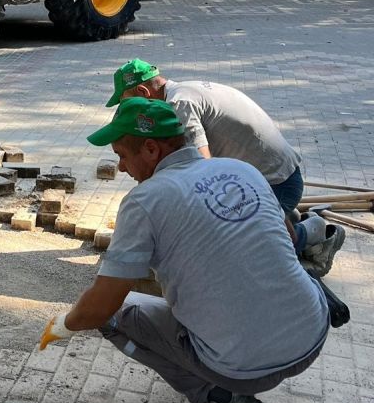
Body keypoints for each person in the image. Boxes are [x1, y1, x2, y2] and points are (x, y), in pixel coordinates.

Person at [39, 97, 329, 403]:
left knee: (113, 315)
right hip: (313, 331)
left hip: (245, 367)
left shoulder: (145, 201)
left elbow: (99, 306)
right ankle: (315, 294)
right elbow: (284, 237)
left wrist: (66, 324)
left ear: (150, 148)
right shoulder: (242, 171)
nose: (121, 168)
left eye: (122, 155)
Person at [105, 58, 344, 276]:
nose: (126, 111)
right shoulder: (183, 89)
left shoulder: (179, 104)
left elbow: (202, 171)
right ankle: (282, 215)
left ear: (143, 91)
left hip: (277, 183)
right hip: (269, 177)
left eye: (127, 102)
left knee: (231, 248)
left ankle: (311, 234)